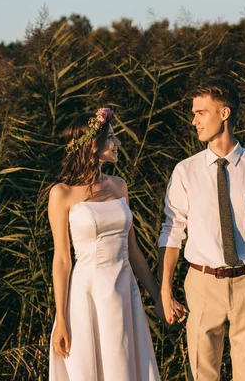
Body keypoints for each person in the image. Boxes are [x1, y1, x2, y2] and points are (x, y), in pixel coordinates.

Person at [157, 79, 245, 381]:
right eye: (194, 113)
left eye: (201, 113)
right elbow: (172, 231)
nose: (194, 121)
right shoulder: (185, 171)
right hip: (202, 284)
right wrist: (165, 290)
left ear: (224, 113)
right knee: (201, 375)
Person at [47, 108, 185, 380]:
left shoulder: (119, 185)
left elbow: (133, 251)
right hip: (87, 292)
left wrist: (160, 297)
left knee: (123, 363)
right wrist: (61, 319)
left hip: (123, 289)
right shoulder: (61, 193)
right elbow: (62, 260)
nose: (118, 143)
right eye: (111, 137)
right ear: (91, 144)